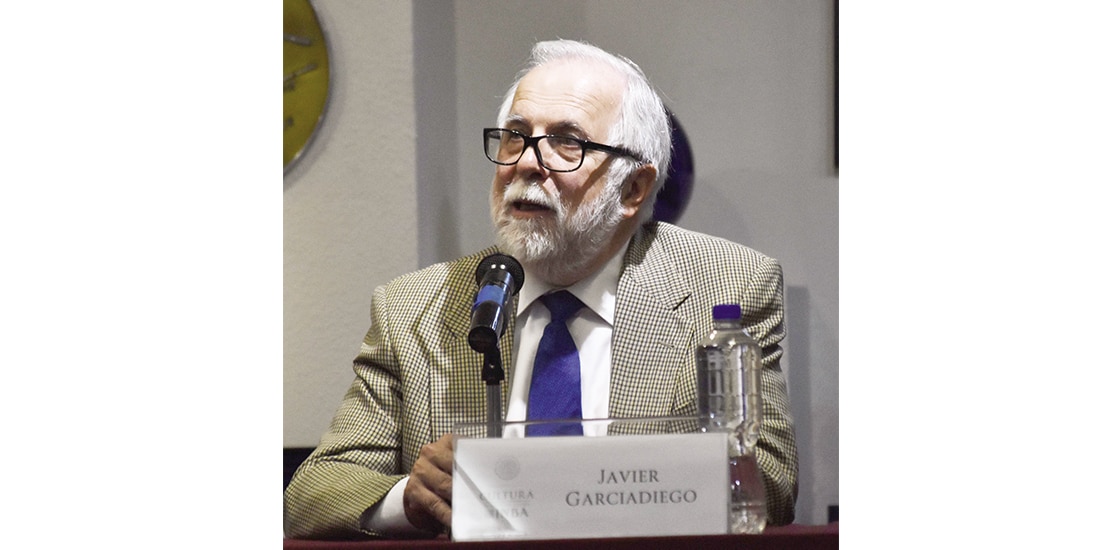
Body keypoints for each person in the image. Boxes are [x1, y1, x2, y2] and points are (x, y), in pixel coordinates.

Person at [284, 39, 798, 539]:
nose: (528, 162)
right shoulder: (412, 308)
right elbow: (313, 493)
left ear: (633, 189)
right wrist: (411, 498)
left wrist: (616, 485)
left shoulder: (727, 288)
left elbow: (768, 484)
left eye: (567, 142)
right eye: (515, 136)